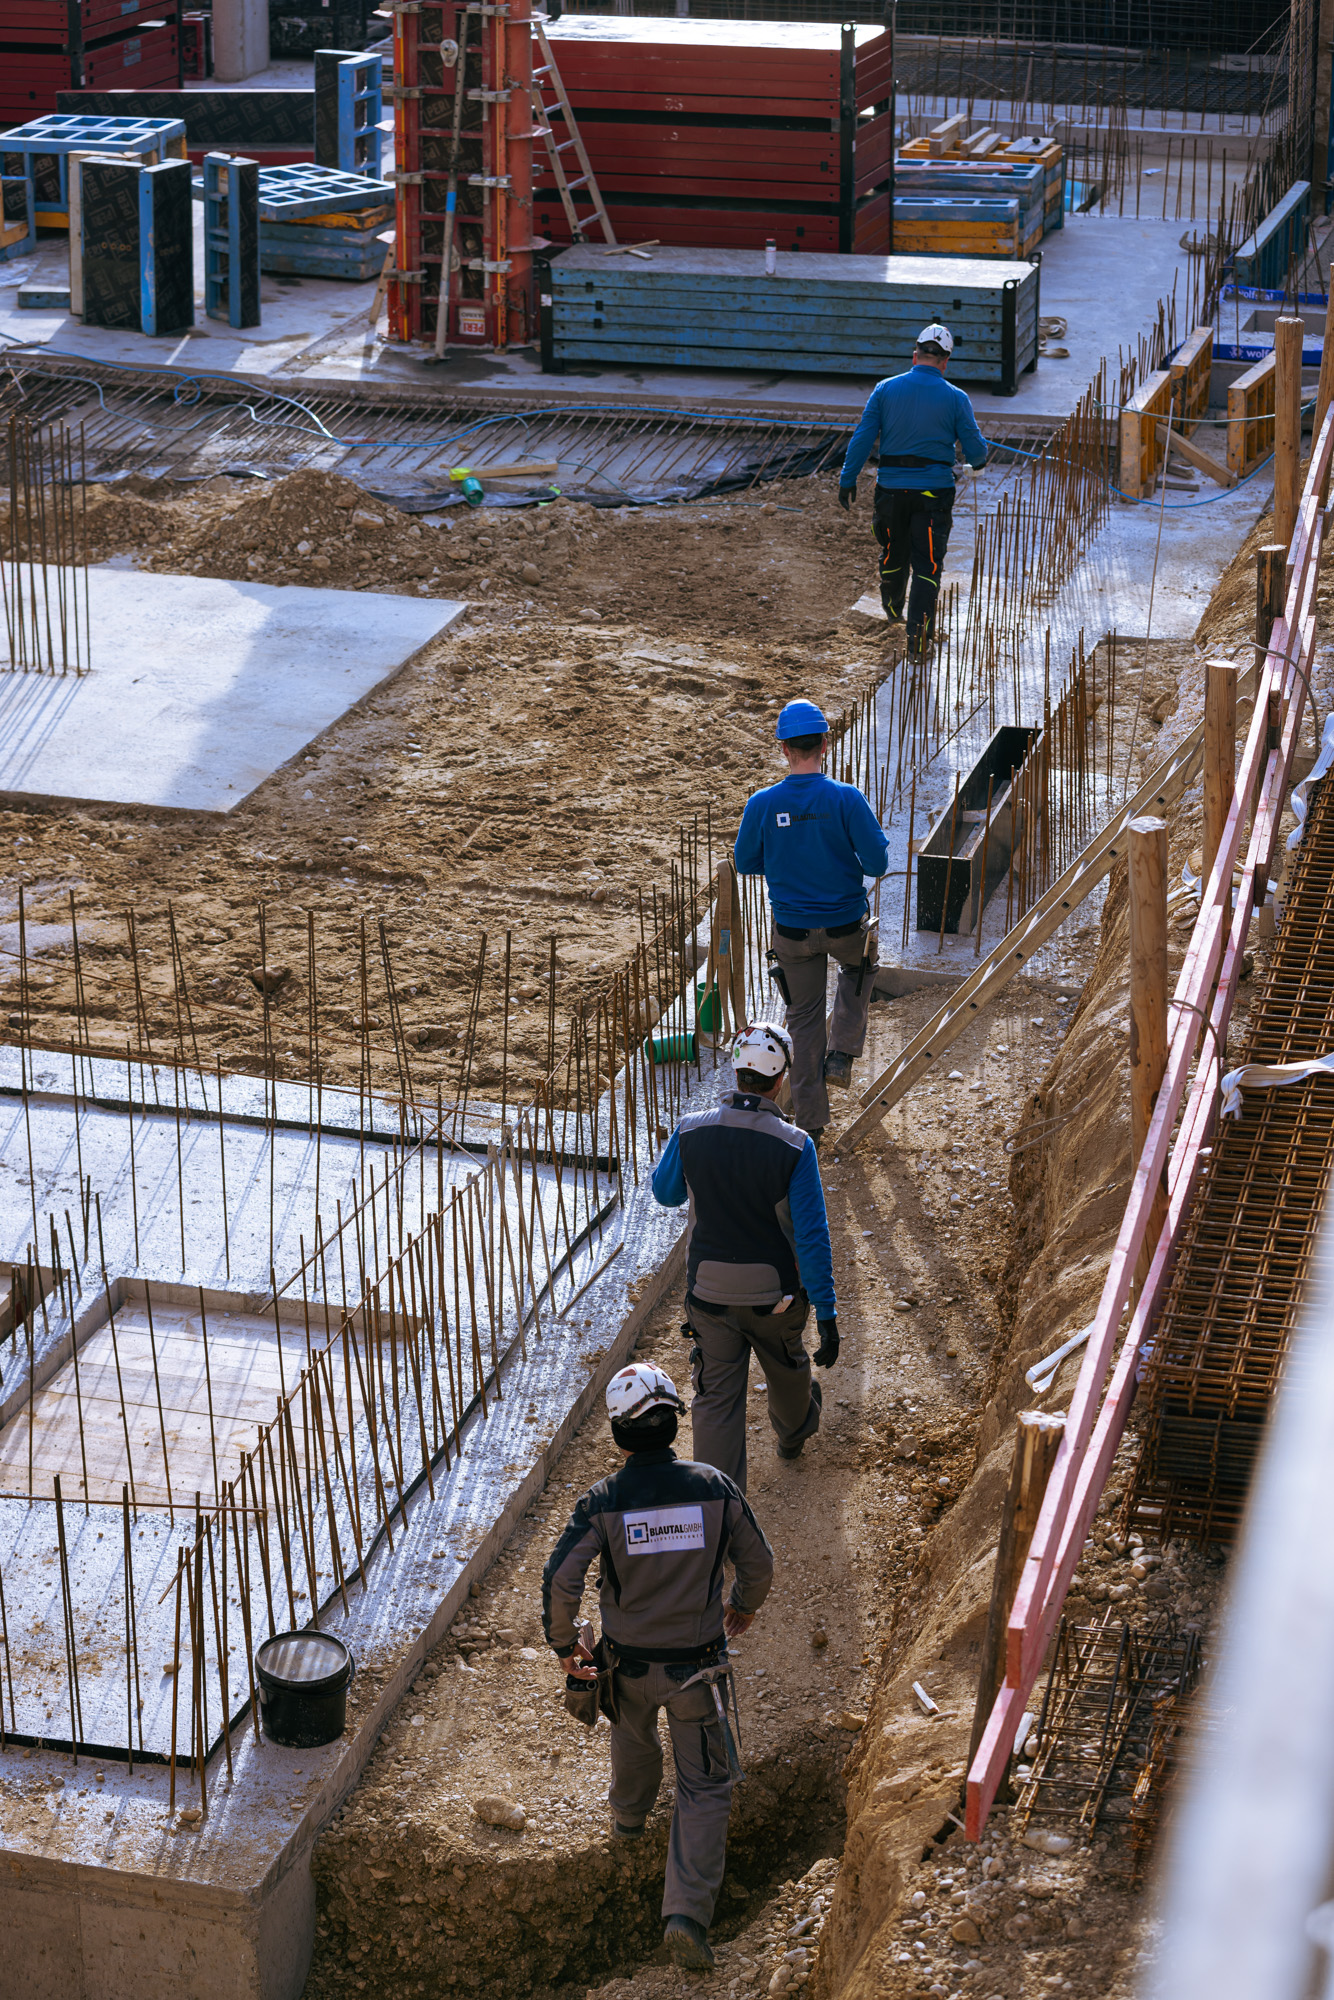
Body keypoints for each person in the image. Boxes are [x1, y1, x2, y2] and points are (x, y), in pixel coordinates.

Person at [543, 1361, 774, 1973]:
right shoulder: (715, 1487)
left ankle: (627, 1822)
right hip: (697, 1670)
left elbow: (560, 1580)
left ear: (620, 1437)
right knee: (704, 1787)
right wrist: (742, 1606)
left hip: (628, 1666)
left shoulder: (602, 1502)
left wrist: (565, 1645)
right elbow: (761, 1564)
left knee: (633, 1735)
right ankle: (686, 1916)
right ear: (674, 1423)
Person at [651, 1023, 839, 1488]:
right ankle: (793, 1435)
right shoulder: (795, 1146)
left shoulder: (691, 1130)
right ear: (781, 1080)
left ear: (737, 1072)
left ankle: (717, 1505)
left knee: (715, 1397)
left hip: (708, 1295)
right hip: (774, 1298)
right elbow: (812, 1235)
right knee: (789, 1369)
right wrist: (829, 1312)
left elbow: (665, 1193)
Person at [734, 700, 890, 1136]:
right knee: (860, 970)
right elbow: (877, 864)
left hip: (793, 932)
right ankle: (841, 1050)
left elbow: (745, 861)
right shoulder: (845, 798)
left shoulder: (762, 803)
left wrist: (790, 861)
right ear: (825, 743)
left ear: (784, 749)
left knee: (802, 1021)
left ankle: (811, 1125)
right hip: (845, 925)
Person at [838, 321, 988, 658]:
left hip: (891, 491)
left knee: (894, 551)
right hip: (933, 496)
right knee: (928, 566)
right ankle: (918, 642)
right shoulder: (956, 398)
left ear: (915, 354)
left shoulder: (885, 390)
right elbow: (976, 451)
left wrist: (848, 478)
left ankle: (892, 607)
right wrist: (975, 462)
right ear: (945, 362)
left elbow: (863, 437)